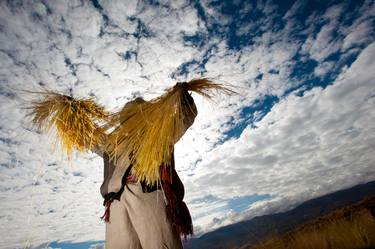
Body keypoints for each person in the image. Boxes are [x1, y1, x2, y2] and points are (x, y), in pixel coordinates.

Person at [95, 88, 197, 249]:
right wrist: (72, 116)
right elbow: (91, 139)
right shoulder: (113, 143)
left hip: (149, 196)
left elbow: (184, 119)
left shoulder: (159, 135)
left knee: (160, 244)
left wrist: (185, 100)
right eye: (129, 118)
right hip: (116, 202)